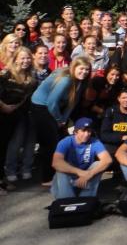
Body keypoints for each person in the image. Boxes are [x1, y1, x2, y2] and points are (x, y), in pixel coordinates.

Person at [30, 56, 91, 186]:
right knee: (50, 143)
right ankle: (47, 178)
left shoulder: (81, 81)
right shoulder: (66, 80)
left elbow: (72, 102)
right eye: (81, 69)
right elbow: (52, 103)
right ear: (74, 68)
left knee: (60, 140)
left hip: (55, 107)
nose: (84, 72)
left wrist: (63, 120)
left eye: (87, 70)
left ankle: (61, 171)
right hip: (41, 106)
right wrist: (58, 119)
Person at [0, 47, 38, 185]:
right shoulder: (5, 74)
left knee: (29, 141)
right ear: (15, 59)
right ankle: (10, 170)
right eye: (22, 58)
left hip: (24, 112)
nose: (26, 61)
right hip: (5, 114)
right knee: (15, 142)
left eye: (28, 58)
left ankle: (25, 168)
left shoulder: (32, 76)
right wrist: (3, 106)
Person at [51, 117, 112, 199]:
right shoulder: (65, 142)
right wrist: (79, 172)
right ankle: (67, 201)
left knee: (97, 164)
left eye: (89, 131)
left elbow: (107, 160)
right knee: (60, 167)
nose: (87, 134)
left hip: (85, 180)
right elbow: (56, 163)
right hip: (67, 180)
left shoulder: (95, 141)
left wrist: (89, 174)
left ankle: (86, 198)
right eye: (83, 131)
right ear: (76, 132)